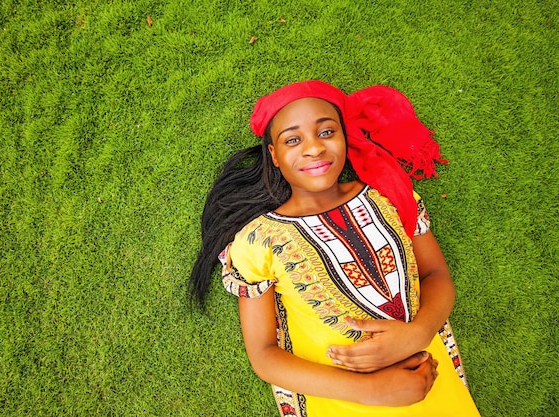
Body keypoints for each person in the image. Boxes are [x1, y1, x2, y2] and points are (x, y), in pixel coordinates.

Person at [189, 80, 480, 416]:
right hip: (343, 404)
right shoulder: (259, 241)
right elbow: (265, 356)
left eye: (326, 132)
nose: (313, 149)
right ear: (275, 155)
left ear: (344, 136)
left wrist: (419, 332)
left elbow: (435, 273)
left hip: (431, 382)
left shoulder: (391, 195)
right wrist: (372, 389)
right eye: (293, 140)